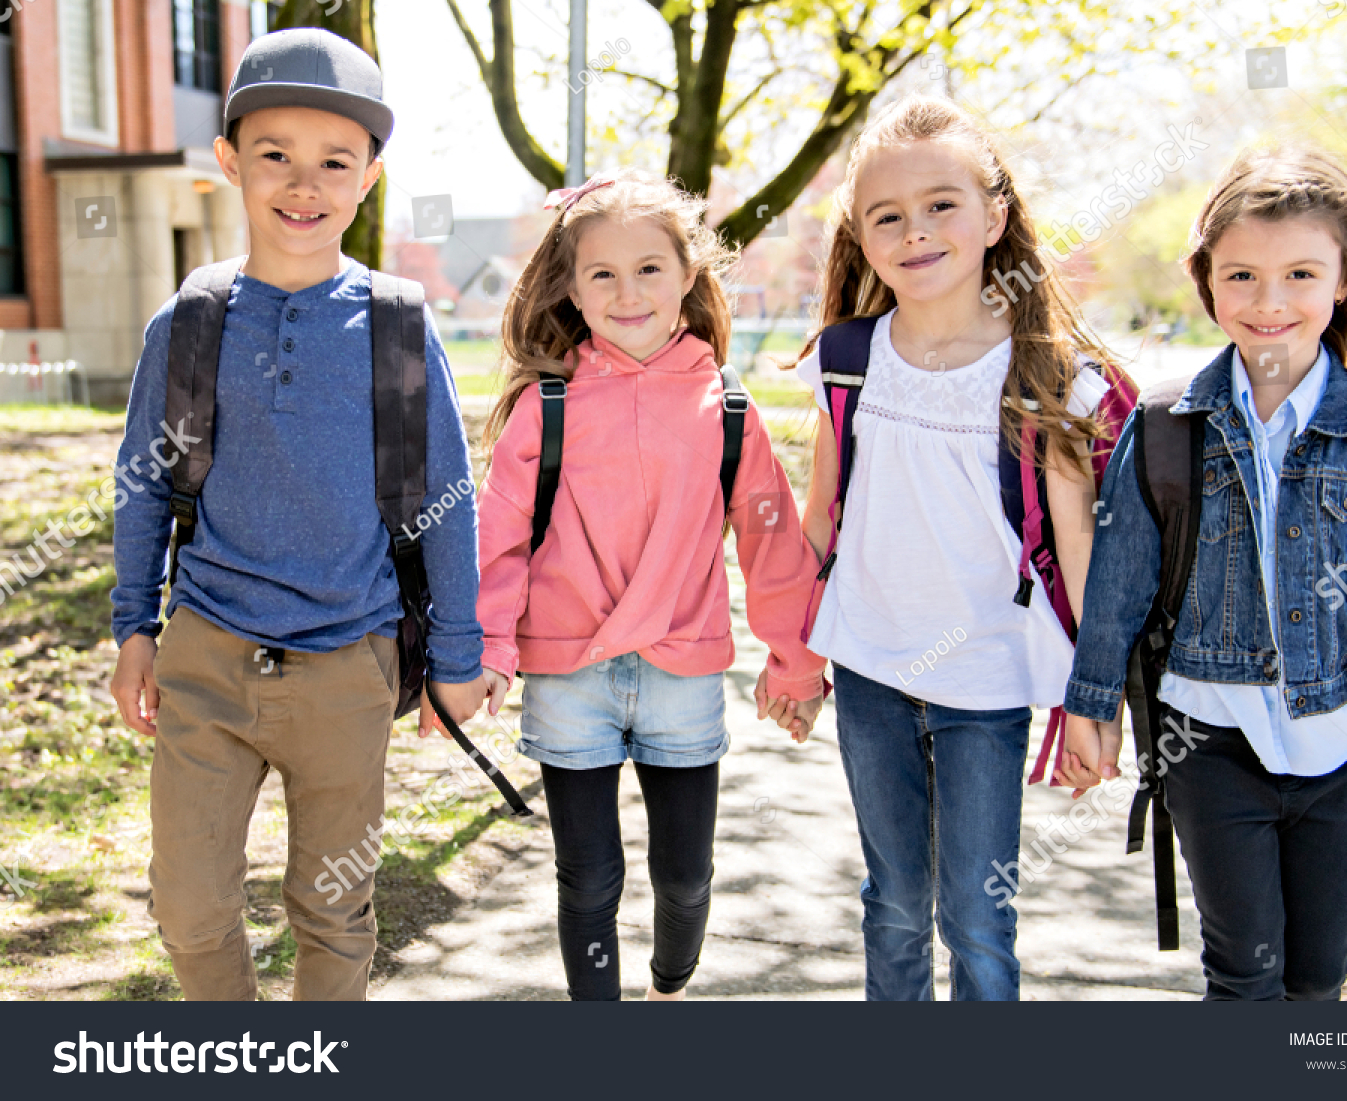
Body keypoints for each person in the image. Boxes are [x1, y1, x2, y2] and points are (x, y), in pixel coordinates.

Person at [108, 29, 487, 1000]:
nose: (303, 183)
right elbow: (144, 484)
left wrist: (458, 656)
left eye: (334, 162)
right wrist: (132, 628)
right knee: (189, 906)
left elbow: (448, 500)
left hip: (348, 669)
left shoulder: (397, 326)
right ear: (230, 160)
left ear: (367, 179)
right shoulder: (191, 319)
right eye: (275, 154)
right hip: (206, 659)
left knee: (334, 913)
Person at [1062, 145, 1347, 999]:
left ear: (1344, 279)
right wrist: (1091, 707)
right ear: (1206, 279)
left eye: (1299, 274)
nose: (1270, 301)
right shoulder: (1169, 423)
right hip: (1206, 738)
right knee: (1244, 973)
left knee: (1318, 977)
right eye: (1241, 275)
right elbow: (1122, 583)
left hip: (1334, 745)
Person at [778, 95, 1117, 1000]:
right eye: (887, 215)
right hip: (869, 672)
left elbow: (1077, 546)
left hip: (990, 680)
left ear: (995, 216)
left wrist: (1093, 701)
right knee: (892, 902)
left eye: (942, 204)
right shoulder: (846, 357)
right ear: (860, 233)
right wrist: (795, 659)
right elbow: (820, 522)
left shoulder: (1049, 377)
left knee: (977, 915)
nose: (915, 230)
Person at [474, 170, 827, 1001]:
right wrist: (485, 646)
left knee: (685, 877)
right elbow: (497, 541)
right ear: (571, 285)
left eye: (649, 269)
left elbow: (772, 546)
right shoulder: (545, 405)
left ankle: (670, 987)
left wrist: (796, 664)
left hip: (682, 674)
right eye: (602, 273)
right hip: (568, 676)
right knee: (587, 880)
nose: (627, 292)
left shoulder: (729, 408)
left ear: (689, 276)